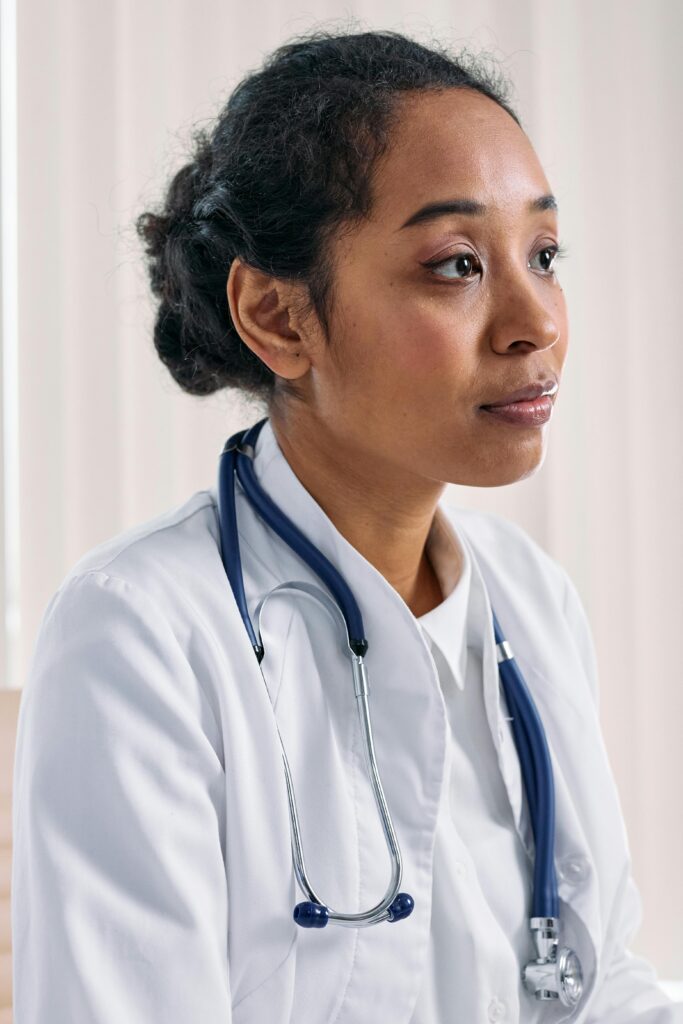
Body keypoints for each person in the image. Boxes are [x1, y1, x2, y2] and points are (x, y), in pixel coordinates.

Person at [11, 27, 682, 1024]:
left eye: (542, 252)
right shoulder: (141, 634)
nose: (533, 321)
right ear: (280, 318)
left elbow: (593, 985)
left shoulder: (528, 600)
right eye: (455, 264)